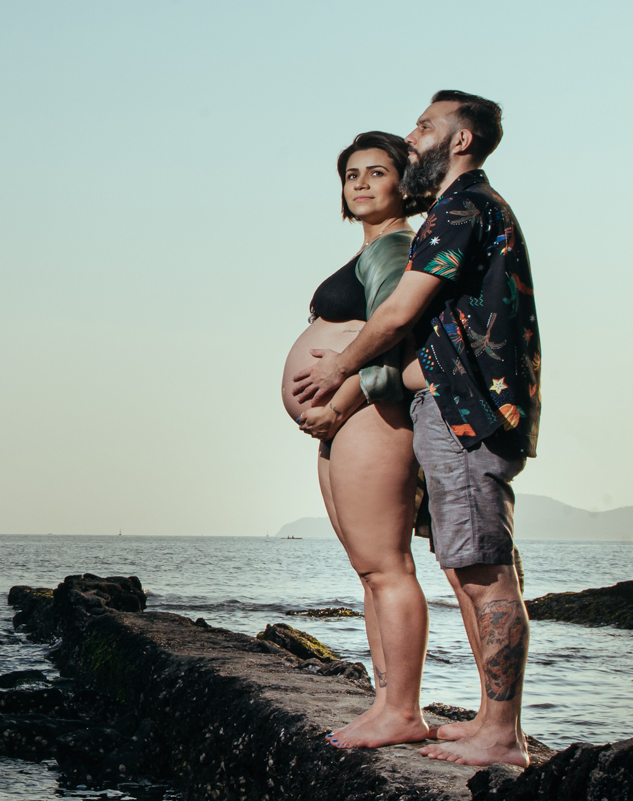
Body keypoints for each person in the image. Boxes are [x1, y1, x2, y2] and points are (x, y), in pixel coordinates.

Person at [291, 91, 541, 768]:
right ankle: (483, 720)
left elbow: (400, 315)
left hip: (467, 408)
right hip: (453, 407)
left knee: (481, 573)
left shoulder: (460, 209)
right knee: (466, 568)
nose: (413, 136)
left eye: (425, 126)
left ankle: (496, 732)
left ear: (460, 140)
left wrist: (339, 373)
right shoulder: (459, 211)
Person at [280, 131, 432, 748]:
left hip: (368, 416)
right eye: (351, 175)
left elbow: (399, 337)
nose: (361, 183)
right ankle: (385, 704)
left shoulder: (397, 246)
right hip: (343, 424)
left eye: (377, 171)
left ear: (405, 184)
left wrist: (340, 402)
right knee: (369, 571)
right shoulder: (373, 248)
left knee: (386, 567)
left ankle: (403, 711)